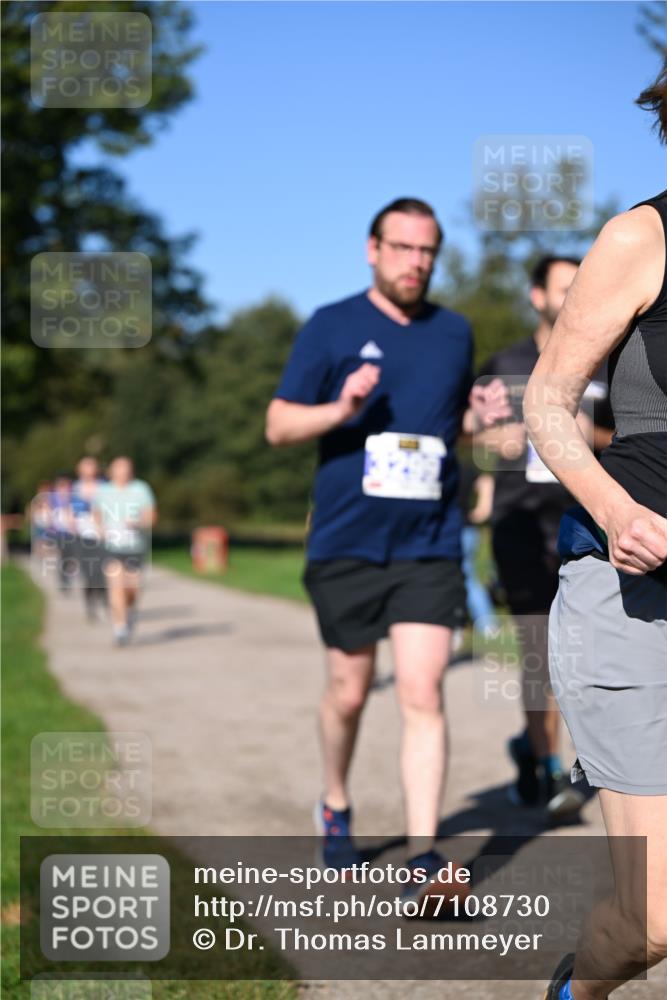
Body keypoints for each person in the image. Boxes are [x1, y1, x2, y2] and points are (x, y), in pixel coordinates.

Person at [266, 197, 473, 906]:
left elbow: (450, 421)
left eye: (427, 251)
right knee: (349, 692)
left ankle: (423, 853)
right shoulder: (331, 325)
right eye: (402, 248)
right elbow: (277, 426)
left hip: (428, 544)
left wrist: (482, 416)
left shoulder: (453, 333)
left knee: (422, 691)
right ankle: (334, 801)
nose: (416, 262)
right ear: (372, 249)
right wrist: (340, 410)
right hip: (346, 542)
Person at [521, 66, 666, 1000]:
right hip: (634, 594)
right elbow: (546, 402)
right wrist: (615, 514)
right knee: (654, 920)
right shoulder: (641, 237)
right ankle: (579, 987)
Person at [472, 257, 614, 819]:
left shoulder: (605, 363)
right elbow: (474, 437)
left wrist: (591, 434)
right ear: (537, 296)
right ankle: (548, 764)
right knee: (537, 652)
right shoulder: (504, 364)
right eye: (564, 284)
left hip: (585, 522)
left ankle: (555, 757)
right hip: (519, 525)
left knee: (586, 655)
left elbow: (630, 437)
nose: (577, 291)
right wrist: (495, 441)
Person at [93, 457, 156, 646]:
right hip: (111, 546)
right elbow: (96, 513)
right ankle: (119, 628)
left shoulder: (141, 489)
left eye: (126, 469)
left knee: (132, 589)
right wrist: (100, 528)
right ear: (111, 471)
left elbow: (151, 516)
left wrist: (137, 523)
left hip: (135, 546)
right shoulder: (103, 491)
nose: (123, 472)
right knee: (116, 586)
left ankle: (129, 613)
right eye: (119, 469)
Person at [457, 462, 498, 642]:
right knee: (469, 577)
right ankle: (487, 625)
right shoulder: (463, 466)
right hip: (467, 530)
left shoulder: (450, 465)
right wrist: (483, 508)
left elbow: (486, 481)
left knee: (462, 578)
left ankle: (480, 625)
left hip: (453, 530)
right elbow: (486, 482)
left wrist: (483, 509)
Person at [70, 456, 107, 621]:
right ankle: (90, 606)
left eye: (92, 466)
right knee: (88, 573)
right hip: (83, 534)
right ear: (80, 470)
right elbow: (71, 511)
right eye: (86, 467)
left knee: (102, 571)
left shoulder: (105, 487)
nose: (89, 470)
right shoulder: (75, 488)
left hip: (103, 535)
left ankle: (105, 600)